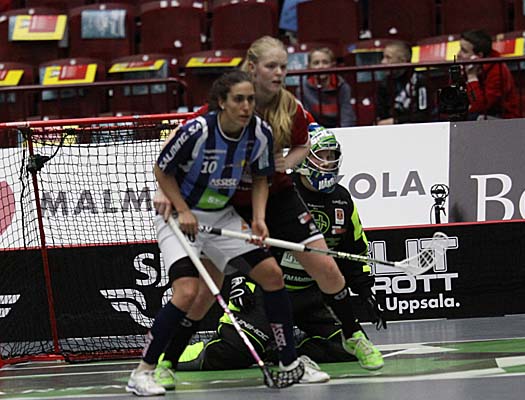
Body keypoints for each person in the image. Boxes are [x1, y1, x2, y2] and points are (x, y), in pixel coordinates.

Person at [156, 36, 384, 382]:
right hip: (230, 201)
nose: (279, 73)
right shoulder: (225, 105)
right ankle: (166, 363)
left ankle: (352, 336)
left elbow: (304, 143)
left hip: (276, 195)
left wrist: (284, 165)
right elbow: (174, 146)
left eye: (284, 67)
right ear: (252, 67)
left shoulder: (289, 106)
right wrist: (166, 191)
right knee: (203, 291)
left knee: (325, 265)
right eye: (271, 66)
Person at [126, 71, 327, 396]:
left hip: (222, 215)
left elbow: (261, 178)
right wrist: (183, 209)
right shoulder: (197, 131)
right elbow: (162, 169)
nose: (246, 106)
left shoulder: (260, 133)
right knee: (187, 292)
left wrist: (259, 219)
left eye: (250, 100)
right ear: (221, 102)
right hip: (179, 216)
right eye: (238, 100)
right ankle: (143, 371)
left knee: (272, 275)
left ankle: (289, 363)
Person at [171, 123, 386, 372]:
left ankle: (285, 347)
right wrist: (241, 280)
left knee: (344, 348)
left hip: (313, 294)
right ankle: (183, 352)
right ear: (303, 159)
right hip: (269, 290)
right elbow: (240, 239)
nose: (328, 162)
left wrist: (365, 289)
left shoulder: (342, 199)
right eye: (321, 156)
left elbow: (354, 249)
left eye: (332, 156)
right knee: (229, 354)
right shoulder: (280, 192)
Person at [457, 29, 521, 119]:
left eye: (464, 51)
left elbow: (480, 107)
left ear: (478, 56)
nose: (458, 54)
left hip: (502, 118)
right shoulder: (466, 67)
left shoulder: (498, 70)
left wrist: (472, 77)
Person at [295, 47, 356, 128]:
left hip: (338, 130)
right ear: (309, 67)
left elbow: (347, 118)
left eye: (325, 62)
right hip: (315, 132)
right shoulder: (302, 90)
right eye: (316, 63)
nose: (321, 66)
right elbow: (305, 119)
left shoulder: (343, 87)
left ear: (332, 65)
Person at [376, 40, 431, 125]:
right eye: (383, 57)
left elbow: (423, 114)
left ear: (402, 60)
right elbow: (381, 115)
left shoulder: (419, 81)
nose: (383, 62)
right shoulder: (384, 84)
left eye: (388, 57)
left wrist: (396, 121)